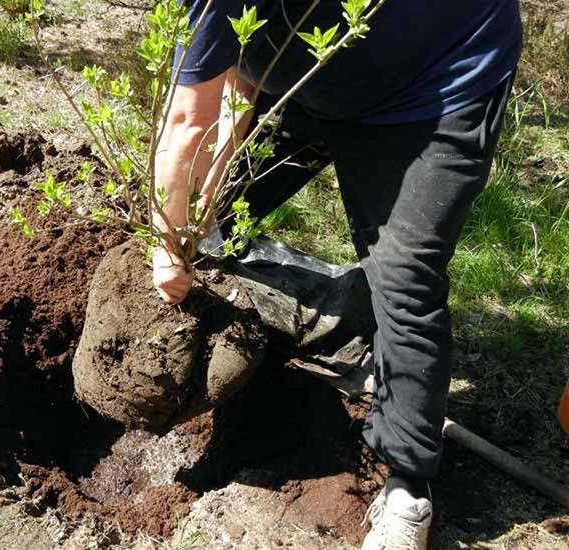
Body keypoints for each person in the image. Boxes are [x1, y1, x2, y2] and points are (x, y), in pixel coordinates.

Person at [151, 1, 522, 548]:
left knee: (405, 276)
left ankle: (406, 486)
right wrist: (186, 224)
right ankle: (299, 327)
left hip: (434, 83)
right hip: (312, 68)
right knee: (212, 211)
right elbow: (227, 87)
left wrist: (164, 248)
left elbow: (185, 122)